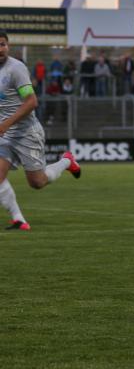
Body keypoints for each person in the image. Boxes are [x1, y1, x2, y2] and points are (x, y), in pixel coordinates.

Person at [0, 32, 81, 230]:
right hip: (4, 134)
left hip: (26, 132)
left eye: (2, 44)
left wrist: (6, 124)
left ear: (8, 46)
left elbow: (31, 102)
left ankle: (67, 161)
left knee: (37, 182)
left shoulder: (16, 68)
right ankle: (18, 219)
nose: (0, 49)